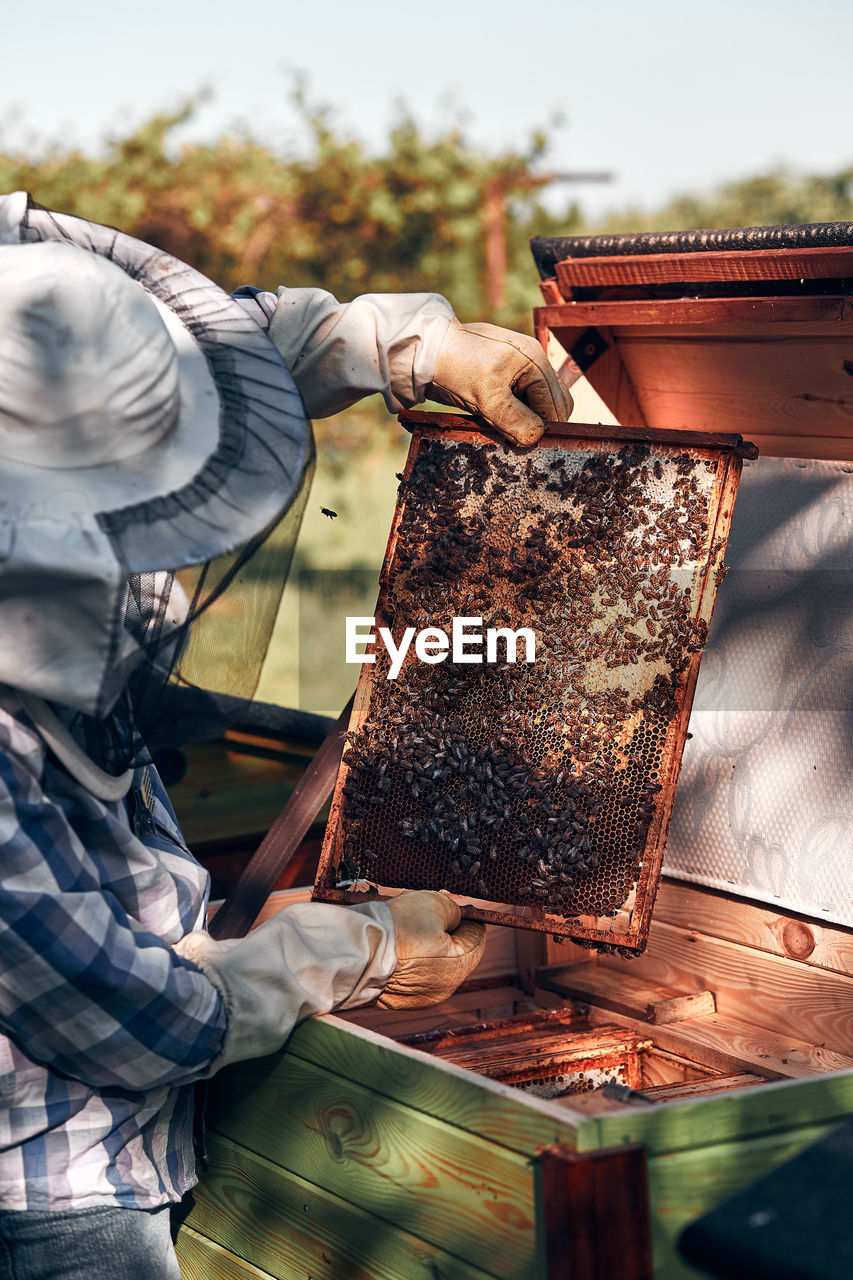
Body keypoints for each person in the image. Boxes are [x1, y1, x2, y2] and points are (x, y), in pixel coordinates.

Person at [0, 190, 571, 1279]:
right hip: (49, 1198)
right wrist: (358, 947)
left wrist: (409, 344)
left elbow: (195, 358)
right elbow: (130, 1021)